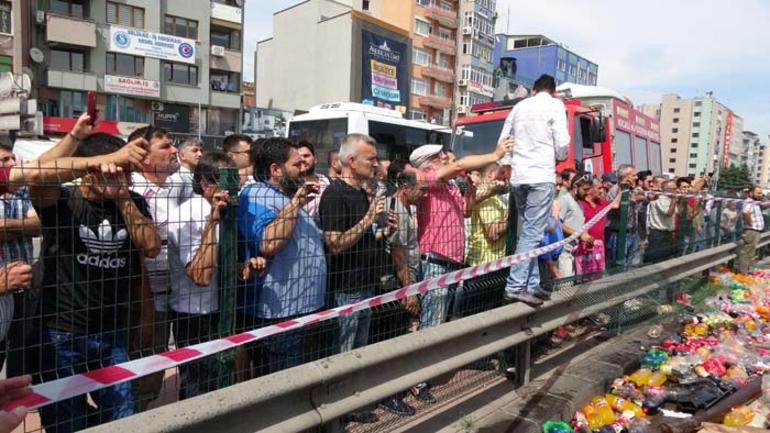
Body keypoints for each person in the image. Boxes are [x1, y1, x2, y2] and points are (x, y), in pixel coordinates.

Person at [30, 132, 160, 432]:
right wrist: (99, 160)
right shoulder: (62, 200)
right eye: (118, 169)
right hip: (61, 332)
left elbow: (151, 246)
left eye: (127, 172)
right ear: (92, 170)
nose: (123, 177)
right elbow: (35, 175)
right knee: (66, 421)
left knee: (123, 415)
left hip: (110, 333)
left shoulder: (132, 200)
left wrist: (123, 197)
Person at [319, 134, 396, 423]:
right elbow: (336, 243)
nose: (375, 164)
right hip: (346, 290)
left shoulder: (361, 193)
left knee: (359, 351)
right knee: (345, 350)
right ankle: (339, 409)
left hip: (365, 286)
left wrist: (382, 231)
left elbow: (362, 239)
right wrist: (368, 219)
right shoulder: (335, 194)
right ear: (351, 161)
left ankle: (350, 404)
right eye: (370, 159)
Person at [238, 138, 326, 377]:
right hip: (278, 316)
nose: (304, 168)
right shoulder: (256, 194)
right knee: (283, 381)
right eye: (296, 164)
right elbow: (268, 242)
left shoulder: (284, 196)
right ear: (276, 169)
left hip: (300, 310)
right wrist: (297, 202)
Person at [167, 151, 240, 400]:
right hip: (195, 315)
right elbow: (201, 275)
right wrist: (212, 221)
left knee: (221, 383)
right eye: (227, 181)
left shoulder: (229, 211)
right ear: (206, 185)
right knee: (198, 387)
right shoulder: (190, 214)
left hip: (221, 311)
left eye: (236, 179)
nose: (234, 187)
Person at [498, 74, 569, 307]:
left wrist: (507, 165)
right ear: (554, 91)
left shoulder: (519, 106)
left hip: (519, 177)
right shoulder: (555, 105)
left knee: (531, 232)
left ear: (533, 90)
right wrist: (558, 157)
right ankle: (516, 286)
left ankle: (530, 284)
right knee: (531, 233)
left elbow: (504, 140)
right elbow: (562, 143)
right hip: (540, 176)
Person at [127, 126, 178, 411]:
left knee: (153, 376)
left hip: (169, 297)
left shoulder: (166, 189)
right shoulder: (134, 191)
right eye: (166, 146)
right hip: (144, 304)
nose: (174, 152)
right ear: (144, 156)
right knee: (141, 381)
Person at [377, 169, 427, 417]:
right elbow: (397, 254)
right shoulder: (394, 207)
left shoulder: (405, 208)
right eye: (422, 189)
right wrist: (409, 291)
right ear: (406, 188)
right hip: (394, 288)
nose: (425, 194)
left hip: (402, 285)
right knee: (391, 342)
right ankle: (389, 395)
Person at [0, 143, 39, 369]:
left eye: (13, 158)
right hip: (2, 284)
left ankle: (17, 402)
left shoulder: (23, 191)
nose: (12, 164)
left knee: (21, 350)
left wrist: (7, 226)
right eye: (5, 160)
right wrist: (23, 226)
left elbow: (39, 226)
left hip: (23, 287)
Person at [467, 164, 508, 267]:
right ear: (490, 174)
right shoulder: (486, 196)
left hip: (492, 262)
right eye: (502, 173)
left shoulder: (493, 195)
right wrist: (512, 219)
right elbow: (493, 233)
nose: (505, 177)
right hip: (485, 265)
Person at [556, 172, 593, 279]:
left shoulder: (580, 204)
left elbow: (580, 226)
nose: (588, 193)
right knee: (565, 286)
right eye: (585, 190)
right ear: (575, 187)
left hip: (575, 252)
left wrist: (586, 235)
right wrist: (579, 234)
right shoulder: (564, 200)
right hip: (563, 253)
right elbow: (558, 224)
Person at [605, 165, 640, 269]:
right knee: (619, 266)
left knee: (629, 266)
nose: (637, 177)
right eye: (634, 175)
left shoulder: (631, 190)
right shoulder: (614, 190)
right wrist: (623, 189)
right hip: (618, 235)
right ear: (625, 176)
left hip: (632, 233)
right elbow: (615, 207)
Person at [644, 180, 678, 263]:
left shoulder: (670, 200)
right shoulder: (659, 199)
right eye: (672, 189)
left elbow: (678, 212)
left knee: (667, 259)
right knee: (657, 260)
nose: (675, 191)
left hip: (668, 233)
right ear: (665, 189)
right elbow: (668, 213)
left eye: (675, 188)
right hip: (658, 234)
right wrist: (674, 199)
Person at [296, 140, 331, 220]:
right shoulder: (288, 186)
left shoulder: (328, 182)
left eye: (306, 156)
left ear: (315, 159)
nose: (302, 160)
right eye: (298, 157)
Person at [735, 186, 765, 274]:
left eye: (761, 192)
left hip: (756, 231)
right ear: (751, 193)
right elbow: (745, 212)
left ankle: (745, 270)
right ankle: (742, 272)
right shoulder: (749, 202)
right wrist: (750, 223)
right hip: (752, 231)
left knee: (750, 253)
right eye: (758, 193)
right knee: (747, 253)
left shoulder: (755, 202)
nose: (760, 195)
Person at [168, 138, 204, 205]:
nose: (200, 154)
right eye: (195, 151)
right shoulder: (177, 179)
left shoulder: (200, 178)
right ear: (182, 156)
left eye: (201, 151)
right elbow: (171, 207)